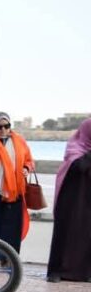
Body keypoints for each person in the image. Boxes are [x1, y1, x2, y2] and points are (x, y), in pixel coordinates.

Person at [0, 112, 35, 253]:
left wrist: (26, 168)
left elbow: (29, 160)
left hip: (15, 193)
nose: (3, 129)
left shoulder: (19, 141)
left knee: (12, 228)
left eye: (6, 126)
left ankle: (9, 259)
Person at [47, 118, 91, 283]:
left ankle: (84, 273)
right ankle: (57, 271)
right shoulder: (75, 148)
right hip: (71, 201)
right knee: (65, 234)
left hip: (87, 202)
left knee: (86, 235)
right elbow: (79, 166)